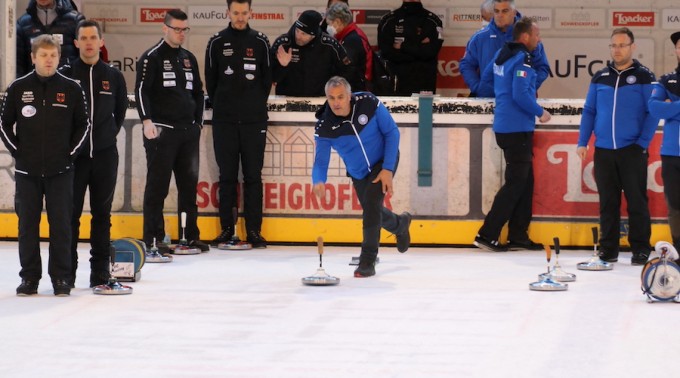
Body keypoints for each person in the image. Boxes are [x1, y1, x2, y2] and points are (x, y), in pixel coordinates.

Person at [0, 34, 90, 296]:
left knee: (61, 225)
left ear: (59, 57)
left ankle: (61, 278)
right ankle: (29, 278)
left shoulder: (72, 88)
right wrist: (18, 152)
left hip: (60, 171)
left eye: (53, 55)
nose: (48, 60)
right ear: (33, 57)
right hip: (27, 172)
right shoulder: (17, 88)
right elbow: (4, 123)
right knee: (27, 226)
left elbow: (84, 125)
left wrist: (70, 155)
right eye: (43, 55)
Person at [312, 76, 412, 277]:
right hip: (358, 172)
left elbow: (392, 133)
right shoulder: (324, 125)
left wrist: (388, 168)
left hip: (383, 161)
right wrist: (318, 181)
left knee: (372, 206)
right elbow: (321, 161)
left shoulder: (369, 102)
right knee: (372, 209)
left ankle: (367, 259)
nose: (336, 102)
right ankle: (400, 224)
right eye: (331, 98)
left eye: (340, 97)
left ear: (349, 96)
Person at [577, 28, 657, 266]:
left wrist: (641, 144)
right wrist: (583, 141)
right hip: (603, 151)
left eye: (622, 45)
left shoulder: (644, 76)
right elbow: (590, 110)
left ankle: (641, 248)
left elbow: (652, 112)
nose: (617, 49)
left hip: (632, 150)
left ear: (633, 47)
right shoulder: (600, 77)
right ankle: (608, 249)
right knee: (608, 202)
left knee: (636, 201)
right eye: (613, 45)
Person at [473, 17, 551, 252]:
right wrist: (540, 112)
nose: (539, 40)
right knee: (516, 183)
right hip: (517, 128)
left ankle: (518, 234)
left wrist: (500, 94)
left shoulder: (501, 55)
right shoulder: (522, 60)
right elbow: (520, 95)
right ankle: (487, 234)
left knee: (526, 182)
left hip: (506, 126)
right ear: (525, 37)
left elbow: (486, 80)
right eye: (536, 35)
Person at [59, 20, 128, 288]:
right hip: (73, 159)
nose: (88, 42)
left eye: (93, 37)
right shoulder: (65, 75)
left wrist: (105, 137)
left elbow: (119, 113)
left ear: (101, 42)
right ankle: (66, 273)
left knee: (102, 215)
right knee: (70, 215)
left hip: (104, 156)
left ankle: (100, 272)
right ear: (76, 43)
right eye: (83, 38)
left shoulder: (113, 76)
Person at [135, 9, 209, 254]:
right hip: (162, 132)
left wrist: (198, 123)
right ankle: (153, 239)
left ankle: (189, 236)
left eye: (184, 29)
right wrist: (146, 121)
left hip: (188, 132)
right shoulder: (151, 57)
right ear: (164, 28)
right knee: (158, 187)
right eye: (177, 29)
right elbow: (141, 91)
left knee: (189, 187)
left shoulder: (189, 57)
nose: (181, 34)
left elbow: (198, 93)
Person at [205, 0, 272, 249]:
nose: (240, 17)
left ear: (250, 13)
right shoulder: (216, 42)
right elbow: (211, 82)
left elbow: (267, 80)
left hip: (254, 121)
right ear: (228, 13)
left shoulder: (261, 41)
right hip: (225, 121)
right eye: (236, 13)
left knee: (253, 177)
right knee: (227, 178)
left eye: (244, 13)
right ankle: (227, 229)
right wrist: (225, 105)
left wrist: (253, 105)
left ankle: (254, 230)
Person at [460, 0, 550, 98]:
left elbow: (542, 67)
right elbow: (466, 65)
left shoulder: (528, 36)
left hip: (521, 101)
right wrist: (479, 88)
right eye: (496, 11)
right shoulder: (479, 37)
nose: (500, 15)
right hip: (487, 100)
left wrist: (526, 88)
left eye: (505, 11)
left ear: (514, 12)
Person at [271, 10, 352, 96]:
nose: (298, 36)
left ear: (313, 35)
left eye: (303, 34)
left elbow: (347, 70)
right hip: (287, 101)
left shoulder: (330, 45)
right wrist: (283, 66)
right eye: (297, 30)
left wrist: (334, 90)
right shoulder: (283, 44)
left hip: (320, 101)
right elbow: (272, 78)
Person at [650, 31, 680, 253]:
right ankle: (679, 251)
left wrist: (673, 107)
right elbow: (654, 108)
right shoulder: (666, 80)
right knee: (676, 206)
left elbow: (664, 108)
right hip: (672, 153)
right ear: (676, 50)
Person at [377, 0, 443, 95]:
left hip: (425, 85)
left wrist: (403, 47)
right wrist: (420, 48)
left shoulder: (433, 21)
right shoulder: (388, 21)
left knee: (424, 110)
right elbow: (386, 53)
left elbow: (431, 52)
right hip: (396, 84)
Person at [16, 0, 85, 77]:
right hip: (35, 85)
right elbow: (19, 64)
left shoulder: (75, 20)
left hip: (67, 84)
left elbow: (85, 57)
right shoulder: (22, 24)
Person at [325, 2, 372, 91]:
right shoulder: (347, 35)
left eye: (329, 23)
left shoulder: (352, 40)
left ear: (338, 21)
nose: (328, 27)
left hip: (356, 90)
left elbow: (347, 70)